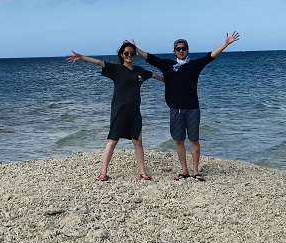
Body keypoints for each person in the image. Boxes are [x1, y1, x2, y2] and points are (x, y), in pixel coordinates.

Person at [135, 32, 240, 182]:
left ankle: (196, 171)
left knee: (194, 140)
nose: (181, 51)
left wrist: (226, 43)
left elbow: (210, 56)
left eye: (184, 48)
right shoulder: (167, 65)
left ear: (187, 50)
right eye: (178, 49)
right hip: (175, 109)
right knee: (179, 140)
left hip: (192, 108)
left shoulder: (194, 65)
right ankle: (184, 169)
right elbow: (150, 58)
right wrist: (136, 49)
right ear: (174, 51)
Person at [67, 41, 162, 182]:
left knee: (138, 141)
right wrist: (81, 57)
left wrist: (174, 80)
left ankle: (142, 172)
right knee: (113, 141)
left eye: (132, 53)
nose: (129, 55)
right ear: (122, 55)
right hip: (119, 110)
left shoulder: (140, 71)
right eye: (126, 53)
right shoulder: (116, 69)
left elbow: (156, 76)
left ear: (135, 54)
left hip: (135, 112)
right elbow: (99, 62)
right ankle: (103, 173)